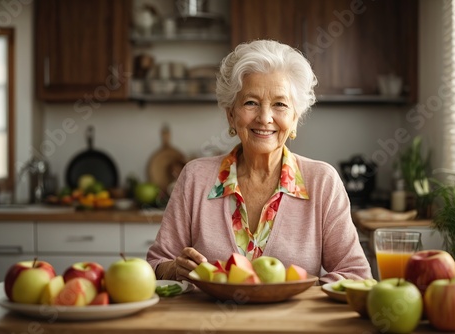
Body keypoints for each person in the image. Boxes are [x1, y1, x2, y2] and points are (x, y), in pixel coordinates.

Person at [147, 39, 372, 284]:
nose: (265, 118)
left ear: (295, 118)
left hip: (293, 322)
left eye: (280, 104)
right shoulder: (195, 177)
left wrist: (296, 290)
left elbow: (356, 275)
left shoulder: (322, 182)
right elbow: (156, 263)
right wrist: (175, 269)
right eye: (251, 103)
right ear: (231, 115)